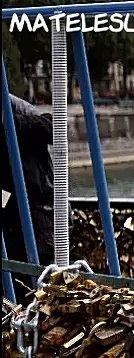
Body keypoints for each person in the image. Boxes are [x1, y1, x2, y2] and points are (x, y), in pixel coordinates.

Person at [0, 93, 55, 278]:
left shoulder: (13, 108)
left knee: (37, 277)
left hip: (42, 213)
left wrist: (10, 122)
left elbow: (54, 128)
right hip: (12, 215)